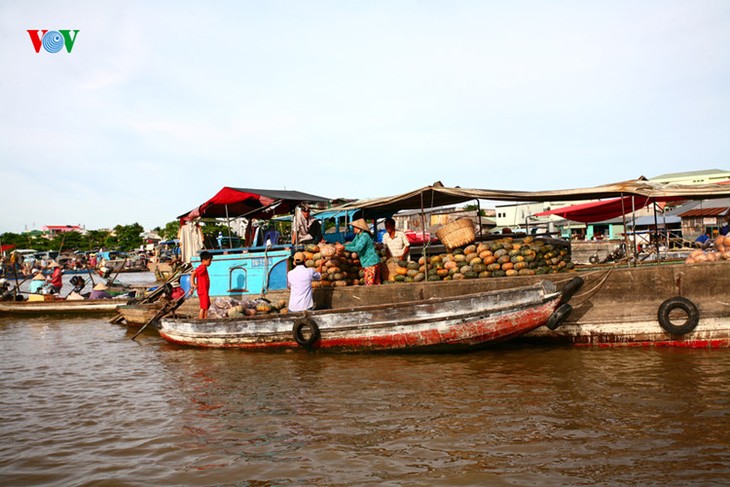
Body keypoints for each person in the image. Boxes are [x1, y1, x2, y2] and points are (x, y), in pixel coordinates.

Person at [345, 218, 381, 286]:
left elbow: (358, 248)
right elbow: (352, 244)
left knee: (369, 284)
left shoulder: (364, 235)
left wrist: (345, 248)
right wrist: (342, 245)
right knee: (375, 284)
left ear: (359, 228)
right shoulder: (358, 235)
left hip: (371, 262)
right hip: (369, 262)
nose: (353, 229)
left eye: (354, 227)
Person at [191, 250, 213, 320]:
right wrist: (193, 284)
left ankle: (205, 318)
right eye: (209, 261)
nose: (210, 263)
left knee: (206, 306)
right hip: (203, 291)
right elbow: (193, 273)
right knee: (203, 308)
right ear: (204, 260)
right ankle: (201, 320)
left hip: (204, 291)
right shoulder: (202, 267)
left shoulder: (204, 268)